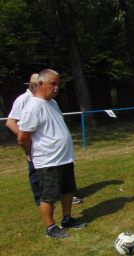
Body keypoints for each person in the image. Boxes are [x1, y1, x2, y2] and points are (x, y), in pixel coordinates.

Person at [17, 69, 86, 239]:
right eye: (52, 84)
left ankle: (67, 218)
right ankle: (50, 226)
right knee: (48, 195)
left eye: (58, 84)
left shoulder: (53, 103)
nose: (56, 88)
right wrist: (29, 152)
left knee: (68, 190)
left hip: (64, 157)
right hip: (47, 160)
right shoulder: (33, 106)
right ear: (40, 84)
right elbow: (22, 137)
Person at [6, 74, 83, 206]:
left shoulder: (49, 101)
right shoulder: (24, 100)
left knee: (56, 175)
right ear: (34, 86)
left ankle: (58, 195)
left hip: (50, 147)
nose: (54, 88)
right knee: (37, 173)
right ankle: (40, 199)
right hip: (34, 144)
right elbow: (10, 122)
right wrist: (27, 138)